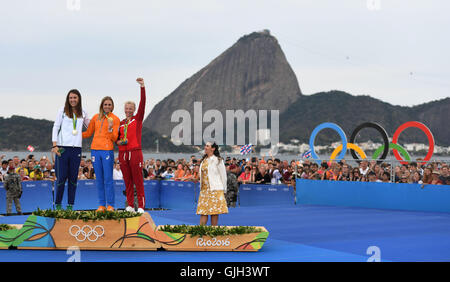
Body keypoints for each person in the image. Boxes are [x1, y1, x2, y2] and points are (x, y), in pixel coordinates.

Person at [52, 89, 90, 210]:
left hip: (76, 149)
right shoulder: (62, 111)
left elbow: (91, 126)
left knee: (73, 178)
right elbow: (56, 126)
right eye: (70, 98)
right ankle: (57, 204)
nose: (73, 100)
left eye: (75, 97)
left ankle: (70, 205)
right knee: (61, 178)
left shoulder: (83, 112)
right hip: (62, 148)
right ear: (68, 99)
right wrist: (54, 145)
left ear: (79, 99)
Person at [83, 96, 120, 212]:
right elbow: (88, 133)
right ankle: (101, 205)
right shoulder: (96, 117)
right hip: (95, 150)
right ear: (102, 106)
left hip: (107, 150)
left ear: (112, 106)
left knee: (108, 178)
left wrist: (110, 129)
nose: (107, 106)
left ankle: (111, 205)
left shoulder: (115, 119)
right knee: (99, 179)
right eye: (105, 104)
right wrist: (74, 135)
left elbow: (115, 138)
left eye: (109, 104)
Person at [116, 78, 147, 213]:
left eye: (130, 108)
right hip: (123, 153)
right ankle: (129, 204)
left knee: (138, 181)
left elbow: (143, 103)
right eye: (126, 108)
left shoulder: (137, 119)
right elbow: (116, 139)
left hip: (135, 152)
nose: (128, 110)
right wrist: (119, 142)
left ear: (134, 110)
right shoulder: (121, 123)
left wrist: (142, 87)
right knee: (127, 181)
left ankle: (140, 206)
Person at [196, 142, 228, 226]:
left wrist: (224, 190)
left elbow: (223, 176)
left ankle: (213, 232)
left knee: (214, 212)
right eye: (205, 145)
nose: (205, 147)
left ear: (213, 148)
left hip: (215, 189)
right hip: (204, 190)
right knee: (203, 212)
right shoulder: (204, 160)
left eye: (207, 146)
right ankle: (201, 231)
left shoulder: (218, 160)